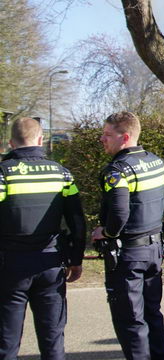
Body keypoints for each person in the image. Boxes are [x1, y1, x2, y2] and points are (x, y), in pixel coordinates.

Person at [91, 111, 164, 360]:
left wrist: (105, 232)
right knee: (152, 313)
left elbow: (119, 213)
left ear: (124, 137)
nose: (102, 139)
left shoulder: (117, 171)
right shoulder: (157, 162)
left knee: (131, 320)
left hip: (129, 255)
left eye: (107, 134)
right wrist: (154, 218)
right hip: (154, 250)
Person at [0, 117, 86, 360]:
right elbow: (77, 221)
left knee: (6, 342)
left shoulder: (3, 174)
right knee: (53, 340)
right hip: (51, 263)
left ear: (10, 143)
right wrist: (76, 260)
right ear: (40, 140)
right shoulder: (62, 174)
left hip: (10, 266)